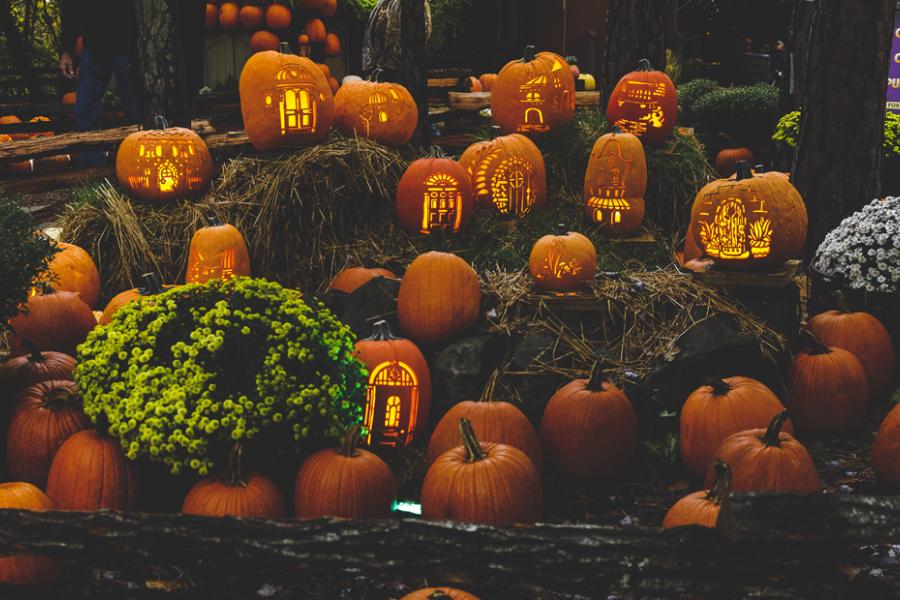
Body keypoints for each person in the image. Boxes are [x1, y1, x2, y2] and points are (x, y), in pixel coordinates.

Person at [59, 0, 139, 167]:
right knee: (85, 111)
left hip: (129, 45)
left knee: (136, 109)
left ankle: (138, 162)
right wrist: (66, 50)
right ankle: (92, 168)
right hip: (94, 46)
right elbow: (70, 9)